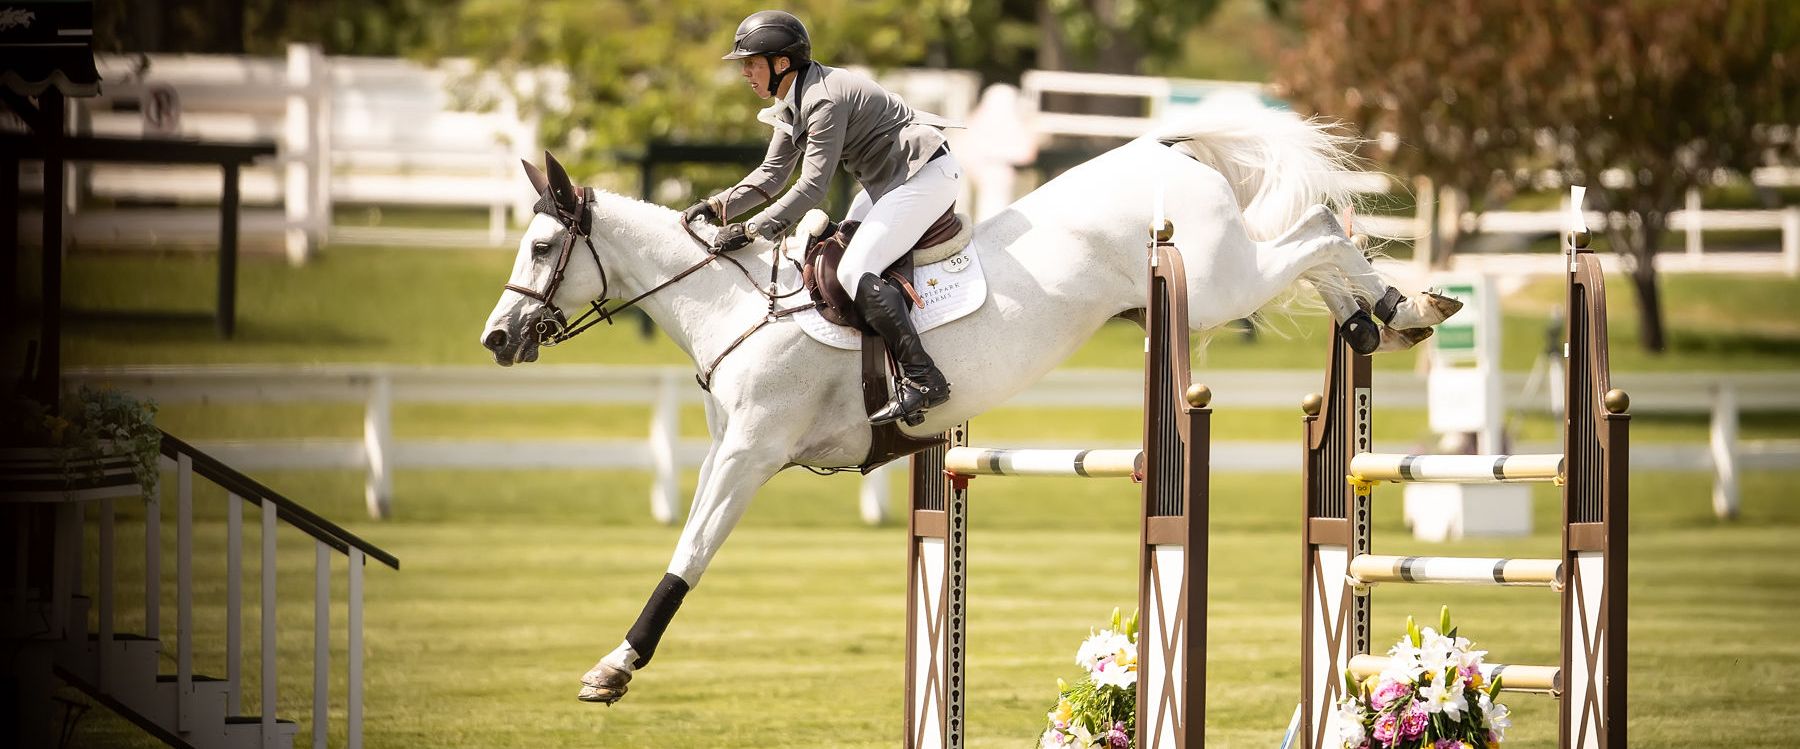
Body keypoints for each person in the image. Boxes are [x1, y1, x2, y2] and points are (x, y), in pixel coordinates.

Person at [682, 10, 961, 427]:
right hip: (891, 183)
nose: (745, 72)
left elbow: (812, 187)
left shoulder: (823, 99)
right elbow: (772, 174)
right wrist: (717, 207)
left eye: (751, 62)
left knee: (854, 268)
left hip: (923, 176)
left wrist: (753, 229)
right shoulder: (793, 97)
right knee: (838, 248)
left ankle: (924, 378)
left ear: (781, 64)